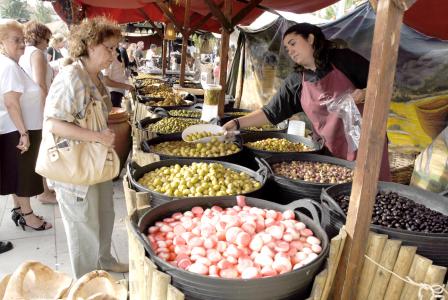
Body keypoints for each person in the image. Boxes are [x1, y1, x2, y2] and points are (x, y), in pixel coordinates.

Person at [223, 23, 391, 180]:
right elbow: (271, 112)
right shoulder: (296, 81)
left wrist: (365, 93)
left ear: (310, 39)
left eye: (293, 43)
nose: (290, 51)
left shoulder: (344, 60)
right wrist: (237, 123)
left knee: (372, 195)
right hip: (329, 151)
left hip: (367, 146)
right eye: (287, 49)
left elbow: (384, 85)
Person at [43, 17, 128, 278]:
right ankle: (86, 282)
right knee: (83, 226)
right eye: (109, 48)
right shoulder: (72, 77)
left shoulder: (93, 76)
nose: (113, 55)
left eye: (115, 49)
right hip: (75, 166)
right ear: (90, 45)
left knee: (103, 215)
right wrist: (97, 137)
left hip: (95, 160)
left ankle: (104, 260)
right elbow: (53, 123)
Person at [0, 20, 53, 232]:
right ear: (2, 42)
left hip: (15, 128)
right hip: (18, 129)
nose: (22, 44)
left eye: (22, 39)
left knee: (16, 174)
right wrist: (24, 133)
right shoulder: (9, 67)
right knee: (23, 175)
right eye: (16, 40)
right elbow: (11, 103)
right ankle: (28, 216)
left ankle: (19, 210)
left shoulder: (9, 63)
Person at [19, 20, 57, 205]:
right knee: (41, 149)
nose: (48, 43)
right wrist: (48, 110)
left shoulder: (25, 52)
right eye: (47, 39)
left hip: (28, 108)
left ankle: (43, 188)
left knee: (38, 149)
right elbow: (40, 84)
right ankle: (43, 192)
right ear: (39, 36)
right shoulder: (36, 54)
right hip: (37, 109)